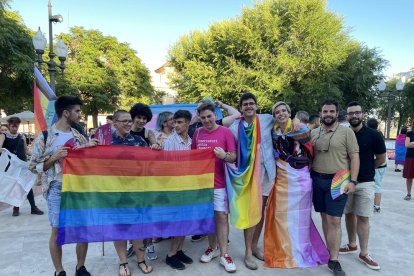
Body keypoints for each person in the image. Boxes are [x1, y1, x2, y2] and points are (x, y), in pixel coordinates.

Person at [29, 96, 97, 276]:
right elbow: (33, 167)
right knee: (57, 229)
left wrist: (90, 149)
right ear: (65, 113)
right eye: (77, 111)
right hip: (57, 187)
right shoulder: (45, 137)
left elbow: (87, 163)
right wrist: (54, 156)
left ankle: (80, 267)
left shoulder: (80, 137)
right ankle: (59, 271)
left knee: (82, 228)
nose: (80, 114)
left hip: (78, 188)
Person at [264, 101, 329, 268]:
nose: (281, 113)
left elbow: (310, 151)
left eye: (284, 110)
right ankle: (284, 251)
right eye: (277, 112)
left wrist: (298, 122)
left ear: (289, 112)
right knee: (280, 216)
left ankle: (301, 250)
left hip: (300, 179)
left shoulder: (301, 129)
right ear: (274, 115)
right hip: (282, 179)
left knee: (301, 217)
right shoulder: (273, 131)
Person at [311, 99, 359, 276]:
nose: (328, 114)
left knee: (334, 220)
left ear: (337, 113)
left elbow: (354, 157)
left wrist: (353, 181)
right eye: (325, 111)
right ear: (321, 113)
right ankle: (330, 252)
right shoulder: (314, 132)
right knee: (324, 218)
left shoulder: (347, 133)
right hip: (316, 179)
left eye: (332, 111)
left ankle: (334, 260)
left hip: (338, 180)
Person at [339, 102, 385, 271]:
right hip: (346, 181)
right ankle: (352, 244)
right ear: (347, 116)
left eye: (357, 113)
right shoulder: (343, 134)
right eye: (351, 113)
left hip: (365, 182)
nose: (354, 116)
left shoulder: (374, 135)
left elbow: (381, 159)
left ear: (362, 114)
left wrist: (366, 168)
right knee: (349, 214)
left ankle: (364, 253)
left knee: (363, 217)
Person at [192, 102, 237, 273]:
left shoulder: (225, 132)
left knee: (221, 217)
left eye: (209, 116)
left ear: (216, 115)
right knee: (209, 217)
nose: (206, 120)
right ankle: (212, 247)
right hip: (202, 184)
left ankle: (224, 254)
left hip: (219, 184)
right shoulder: (197, 133)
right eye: (203, 117)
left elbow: (233, 157)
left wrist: (224, 155)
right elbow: (193, 157)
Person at [110, 110, 153, 275]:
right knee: (119, 229)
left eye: (130, 121)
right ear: (115, 123)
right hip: (114, 194)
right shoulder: (105, 142)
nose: (129, 124)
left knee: (138, 228)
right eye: (124, 121)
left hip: (136, 193)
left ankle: (141, 260)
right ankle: (123, 262)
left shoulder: (139, 141)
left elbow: (149, 164)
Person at [163, 110, 194, 270]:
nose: (176, 125)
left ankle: (179, 250)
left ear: (188, 123)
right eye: (175, 122)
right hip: (176, 187)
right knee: (179, 221)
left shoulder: (190, 140)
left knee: (186, 220)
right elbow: (167, 167)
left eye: (180, 122)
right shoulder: (170, 141)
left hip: (189, 185)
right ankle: (171, 254)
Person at [0, 117, 44, 216]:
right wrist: (4, 151)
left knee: (26, 185)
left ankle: (33, 207)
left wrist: (35, 155)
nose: (15, 128)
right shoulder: (3, 136)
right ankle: (16, 208)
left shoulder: (21, 136)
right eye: (13, 126)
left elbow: (26, 151)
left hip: (23, 165)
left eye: (17, 126)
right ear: (9, 125)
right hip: (11, 166)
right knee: (16, 186)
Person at [366, 118, 387, 212]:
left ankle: (376, 205)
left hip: (377, 163)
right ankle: (376, 205)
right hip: (384, 164)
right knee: (378, 184)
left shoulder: (371, 135)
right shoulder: (380, 134)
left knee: (376, 185)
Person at [403, 119, 414, 201]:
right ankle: (409, 193)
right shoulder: (409, 133)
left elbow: (410, 144)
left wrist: (412, 143)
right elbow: (407, 144)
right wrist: (410, 144)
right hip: (410, 157)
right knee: (409, 177)